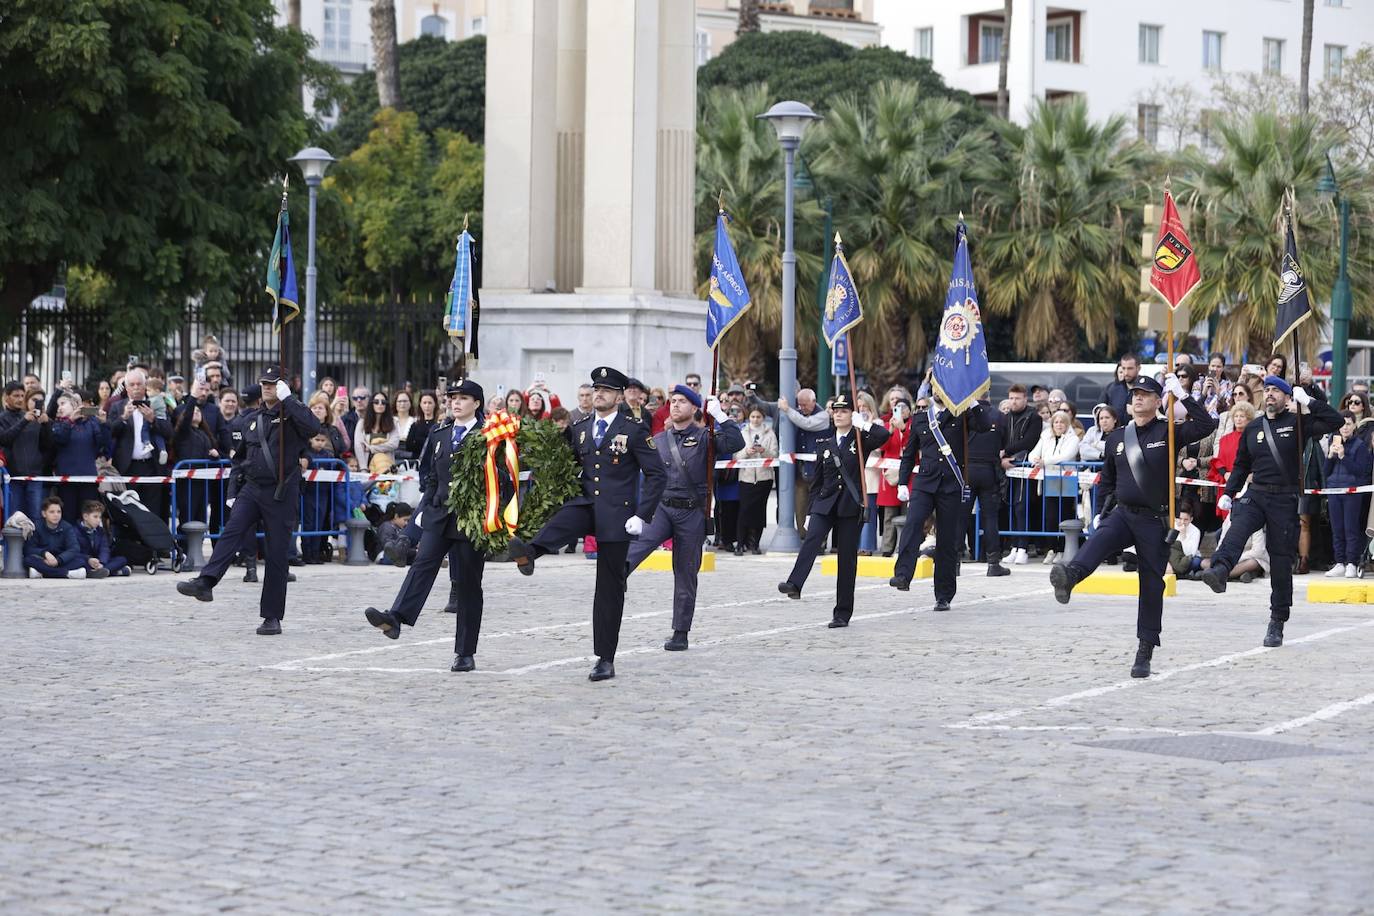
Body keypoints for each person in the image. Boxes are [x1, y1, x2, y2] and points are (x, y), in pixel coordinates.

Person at [507, 367, 667, 681]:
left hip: (618, 514)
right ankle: (529, 552)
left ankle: (605, 658)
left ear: (620, 396)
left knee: (608, 588)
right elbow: (566, 465)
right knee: (564, 519)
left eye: (606, 390)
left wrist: (642, 515)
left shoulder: (633, 430)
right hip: (586, 503)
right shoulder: (580, 428)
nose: (599, 394)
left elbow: (657, 474)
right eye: (596, 389)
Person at [1050, 375, 1217, 677]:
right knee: (1100, 539)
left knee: (1151, 584)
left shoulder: (1167, 431)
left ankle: (1145, 649)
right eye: (1135, 394)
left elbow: (1207, 426)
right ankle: (1070, 577)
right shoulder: (1116, 437)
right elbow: (1108, 480)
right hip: (1123, 513)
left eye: (1145, 394)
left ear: (1157, 400)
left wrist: (1183, 396)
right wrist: (1101, 512)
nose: (1138, 398)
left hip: (1154, 519)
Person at [363, 380, 497, 671]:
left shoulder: (489, 434)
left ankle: (464, 652)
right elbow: (432, 477)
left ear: (477, 403)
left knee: (468, 584)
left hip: (471, 519)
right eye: (453, 398)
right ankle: (396, 618)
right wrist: (421, 517)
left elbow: (499, 480)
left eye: (463, 398)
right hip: (439, 514)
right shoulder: (440, 433)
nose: (456, 402)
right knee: (423, 564)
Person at [176, 367, 318, 635]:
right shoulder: (250, 420)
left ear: (283, 387)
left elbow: (313, 427)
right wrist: (232, 491)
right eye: (264, 383)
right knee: (232, 531)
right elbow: (239, 459)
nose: (267, 387)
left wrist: (290, 401)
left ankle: (272, 617)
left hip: (281, 492)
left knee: (276, 554)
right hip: (252, 488)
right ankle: (206, 582)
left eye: (273, 384)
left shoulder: (293, 418)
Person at [1202, 375, 1342, 646]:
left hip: (1284, 499)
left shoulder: (1299, 423)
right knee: (1238, 525)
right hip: (1257, 493)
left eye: (1276, 391)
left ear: (1287, 397)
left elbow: (1335, 421)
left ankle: (1277, 620)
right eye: (1266, 390)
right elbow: (1242, 465)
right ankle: (1220, 569)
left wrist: (1310, 402)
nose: (1269, 395)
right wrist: (1229, 494)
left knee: (1280, 560)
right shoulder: (1254, 427)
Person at [625, 385, 742, 651]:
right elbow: (646, 476)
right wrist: (638, 511)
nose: (675, 405)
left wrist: (721, 417)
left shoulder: (706, 438)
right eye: (673, 401)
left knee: (686, 572)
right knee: (637, 546)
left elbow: (736, 443)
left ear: (694, 408)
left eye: (682, 401)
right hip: (662, 507)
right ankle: (617, 578)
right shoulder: (658, 439)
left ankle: (681, 631)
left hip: (692, 511)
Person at [778, 394, 889, 626]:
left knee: (846, 560)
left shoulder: (860, 440)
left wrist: (864, 423)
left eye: (844, 411)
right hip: (824, 503)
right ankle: (795, 583)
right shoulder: (825, 443)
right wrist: (809, 513)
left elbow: (883, 436)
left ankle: (842, 613)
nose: (838, 414)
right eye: (835, 411)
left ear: (852, 414)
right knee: (811, 540)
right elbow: (816, 482)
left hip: (850, 505)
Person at [890, 383, 991, 611]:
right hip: (925, 483)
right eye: (936, 388)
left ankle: (944, 595)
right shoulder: (920, 419)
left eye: (944, 388)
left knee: (947, 540)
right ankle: (903, 575)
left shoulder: (962, 415)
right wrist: (903, 482)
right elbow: (909, 455)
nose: (939, 393)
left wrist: (972, 400)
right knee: (913, 524)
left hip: (950, 484)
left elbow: (984, 426)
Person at [108, 369, 173, 521]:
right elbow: (109, 431)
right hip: (127, 466)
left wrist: (153, 420)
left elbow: (169, 432)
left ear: (145, 387)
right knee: (129, 511)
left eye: (139, 384)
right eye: (132, 384)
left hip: (152, 466)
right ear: (126, 387)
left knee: (152, 511)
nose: (136, 388)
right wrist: (124, 417)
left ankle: (152, 544)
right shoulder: (117, 406)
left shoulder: (156, 403)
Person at [776, 389, 831, 538]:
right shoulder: (798, 413)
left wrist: (787, 409)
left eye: (805, 405)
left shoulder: (823, 416)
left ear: (814, 402)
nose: (801, 408)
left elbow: (806, 424)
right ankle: (803, 537)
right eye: (799, 405)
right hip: (801, 473)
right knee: (800, 509)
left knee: (817, 509)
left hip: (818, 473)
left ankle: (819, 540)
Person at [49, 392, 110, 524]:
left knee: (88, 519)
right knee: (68, 518)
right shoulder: (58, 424)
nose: (59, 408)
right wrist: (70, 420)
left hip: (88, 478)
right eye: (58, 404)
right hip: (67, 480)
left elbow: (103, 445)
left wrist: (104, 424)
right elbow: (60, 439)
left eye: (63, 404)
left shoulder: (91, 423)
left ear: (76, 405)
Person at [1323, 410, 1371, 578]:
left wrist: (1343, 456)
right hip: (1334, 490)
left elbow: (1361, 471)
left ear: (1354, 426)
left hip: (1352, 492)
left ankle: (1351, 562)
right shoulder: (1332, 442)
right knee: (1337, 529)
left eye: (1348, 424)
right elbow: (1325, 472)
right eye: (1342, 424)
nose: (1344, 428)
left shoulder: (1359, 445)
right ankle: (1339, 562)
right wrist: (1330, 456)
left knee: (1351, 528)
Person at [964, 396, 1008, 575]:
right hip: (989, 469)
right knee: (990, 518)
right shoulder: (999, 415)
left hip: (968, 470)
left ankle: (955, 561)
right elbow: (1004, 442)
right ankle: (993, 563)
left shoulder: (965, 414)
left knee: (961, 516)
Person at [1000, 383, 1043, 565]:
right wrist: (1002, 458)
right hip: (1007, 467)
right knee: (1010, 506)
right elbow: (1000, 439)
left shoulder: (1034, 417)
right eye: (1011, 398)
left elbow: (1030, 441)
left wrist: (1006, 450)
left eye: (1017, 398)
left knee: (1021, 506)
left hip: (1024, 466)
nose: (1013, 401)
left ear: (1025, 399)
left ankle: (1023, 548)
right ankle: (1014, 547)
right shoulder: (1005, 417)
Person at [0, 380, 52, 522]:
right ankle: (14, 545)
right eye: (16, 396)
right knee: (14, 517)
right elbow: (5, 439)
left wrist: (46, 424)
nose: (20, 399)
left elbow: (47, 444)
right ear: (6, 397)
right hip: (13, 477)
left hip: (34, 476)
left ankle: (33, 545)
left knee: (35, 516)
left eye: (22, 396)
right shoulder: (3, 418)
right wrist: (23, 421)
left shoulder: (32, 417)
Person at [26, 496, 105, 579]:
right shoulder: (37, 526)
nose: (56, 515)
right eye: (52, 512)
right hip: (44, 560)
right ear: (44, 514)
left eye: (58, 512)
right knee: (28, 560)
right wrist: (44, 553)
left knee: (81, 561)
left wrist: (59, 560)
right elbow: (29, 549)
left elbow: (74, 548)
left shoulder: (67, 527)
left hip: (61, 560)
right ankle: (67, 573)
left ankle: (43, 572)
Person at [736, 406, 778, 554]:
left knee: (759, 512)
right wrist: (747, 452)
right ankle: (741, 543)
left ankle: (755, 544)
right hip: (746, 477)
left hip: (763, 478)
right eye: (753, 417)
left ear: (763, 418)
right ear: (749, 418)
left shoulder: (770, 433)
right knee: (744, 511)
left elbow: (774, 454)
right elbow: (736, 456)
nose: (755, 419)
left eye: (758, 417)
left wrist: (763, 451)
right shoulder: (743, 432)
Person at [76, 499, 130, 577]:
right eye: (95, 517)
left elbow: (104, 549)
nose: (98, 520)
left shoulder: (100, 531)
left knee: (122, 559)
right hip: (85, 561)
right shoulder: (74, 531)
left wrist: (102, 562)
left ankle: (101, 571)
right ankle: (114, 572)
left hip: (98, 562)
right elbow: (73, 551)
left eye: (100, 517)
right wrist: (88, 559)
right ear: (85, 516)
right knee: (76, 562)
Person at [353, 391, 399, 472]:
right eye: (376, 402)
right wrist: (363, 468)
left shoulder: (393, 422)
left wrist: (371, 448)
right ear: (371, 404)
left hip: (387, 466)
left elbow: (394, 444)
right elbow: (359, 446)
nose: (380, 404)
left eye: (383, 402)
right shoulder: (361, 423)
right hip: (367, 465)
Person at [1167, 503, 1204, 579]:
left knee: (1196, 562)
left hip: (1186, 558)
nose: (1182, 522)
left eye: (1186, 519)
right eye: (1180, 519)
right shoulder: (1171, 525)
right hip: (1172, 557)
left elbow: (1189, 553)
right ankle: (1181, 572)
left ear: (1191, 519)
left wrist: (1183, 535)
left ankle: (1177, 572)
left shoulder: (1195, 531)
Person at [1102, 354, 1140, 420]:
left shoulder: (1146, 389)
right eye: (1123, 368)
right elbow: (1100, 409)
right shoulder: (1113, 389)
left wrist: (1135, 412)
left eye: (1130, 368)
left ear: (1138, 368)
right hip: (1117, 429)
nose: (1126, 373)